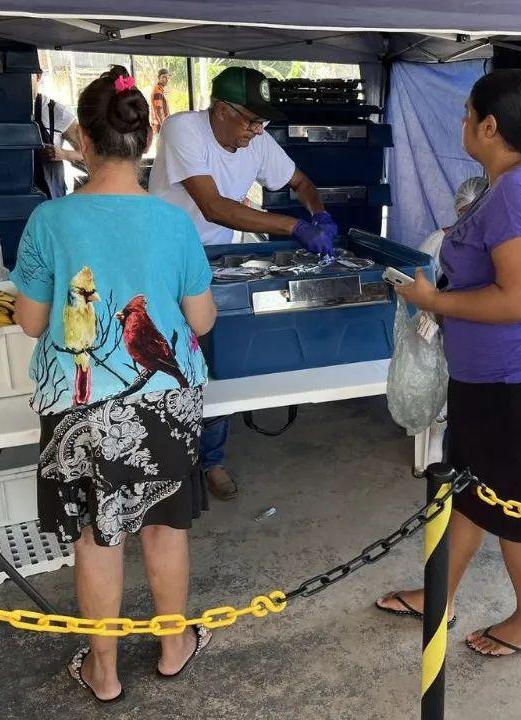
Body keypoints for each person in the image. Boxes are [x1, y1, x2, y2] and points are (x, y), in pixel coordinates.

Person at [12, 66, 217, 703]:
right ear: (145, 136)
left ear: (84, 137)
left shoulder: (50, 221)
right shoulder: (175, 223)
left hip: (78, 401)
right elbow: (202, 319)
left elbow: (30, 321)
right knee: (163, 526)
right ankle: (173, 645)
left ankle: (102, 671)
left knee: (96, 537)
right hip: (165, 403)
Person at [375, 68, 521, 657]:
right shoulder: (509, 185)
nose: (462, 123)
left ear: (490, 125)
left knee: (518, 506)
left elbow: (519, 301)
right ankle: (436, 591)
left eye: (468, 114)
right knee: (466, 493)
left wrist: (434, 301)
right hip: (486, 380)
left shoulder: (520, 191)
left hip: (512, 384)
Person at [149, 65, 337, 502]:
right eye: (251, 120)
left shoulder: (257, 140)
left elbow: (301, 182)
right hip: (165, 261)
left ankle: (211, 460)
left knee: (214, 364)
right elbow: (213, 207)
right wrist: (293, 227)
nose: (256, 131)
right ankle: (166, 464)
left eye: (262, 122)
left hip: (217, 263)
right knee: (165, 364)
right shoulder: (183, 130)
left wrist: (318, 212)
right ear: (220, 110)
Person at [418, 175, 487, 278]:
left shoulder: (500, 246)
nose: (472, 220)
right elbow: (414, 284)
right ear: (458, 211)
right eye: (466, 214)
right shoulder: (438, 242)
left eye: (478, 213)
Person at [32, 71, 83, 199]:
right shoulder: (1, 112)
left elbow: (86, 153)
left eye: (25, 75)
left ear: (38, 76)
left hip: (49, 197)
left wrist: (64, 154)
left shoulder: (57, 112)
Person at [151, 68, 172, 134]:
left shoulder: (160, 90)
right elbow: (158, 110)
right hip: (160, 126)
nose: (166, 79)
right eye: (163, 77)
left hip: (160, 125)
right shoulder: (157, 91)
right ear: (159, 78)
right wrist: (163, 126)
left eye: (167, 77)